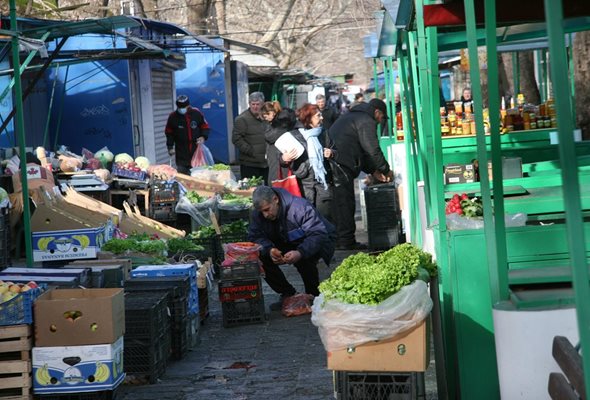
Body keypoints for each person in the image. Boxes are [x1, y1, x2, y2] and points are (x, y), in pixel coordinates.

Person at [248, 186, 336, 309]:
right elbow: (255, 237)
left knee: (304, 258)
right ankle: (287, 293)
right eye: (262, 211)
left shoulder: (300, 207)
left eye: (267, 209)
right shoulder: (258, 215)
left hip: (318, 240)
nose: (265, 214)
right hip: (286, 240)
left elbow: (317, 234)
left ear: (275, 199)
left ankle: (312, 294)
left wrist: (300, 252)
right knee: (259, 257)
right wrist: (269, 250)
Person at [328, 98, 394, 250]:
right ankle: (345, 241)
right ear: (377, 112)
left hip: (338, 160)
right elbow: (372, 150)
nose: (380, 122)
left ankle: (342, 239)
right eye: (382, 118)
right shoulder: (366, 121)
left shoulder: (354, 117)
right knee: (345, 202)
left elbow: (362, 153)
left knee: (341, 202)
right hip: (340, 162)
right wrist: (385, 169)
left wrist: (373, 170)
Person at [281, 103, 335, 222]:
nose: (322, 118)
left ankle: (328, 240)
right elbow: (282, 159)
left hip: (323, 183)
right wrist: (284, 158)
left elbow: (335, 150)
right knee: (307, 220)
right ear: (308, 118)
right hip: (304, 183)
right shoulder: (293, 135)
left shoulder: (323, 133)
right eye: (318, 115)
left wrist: (331, 153)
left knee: (326, 219)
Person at [165, 95, 210, 174]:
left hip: (196, 150)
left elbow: (205, 126)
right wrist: (170, 147)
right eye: (180, 107)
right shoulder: (173, 117)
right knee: (183, 176)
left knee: (198, 175)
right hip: (181, 151)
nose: (182, 109)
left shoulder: (196, 113)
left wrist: (203, 137)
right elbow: (169, 133)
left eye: (184, 107)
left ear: (188, 105)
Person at [232, 92, 269, 184]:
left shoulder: (266, 118)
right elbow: (236, 139)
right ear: (249, 104)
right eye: (253, 104)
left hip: (266, 163)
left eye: (258, 104)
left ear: (263, 104)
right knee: (251, 190)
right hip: (250, 163)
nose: (255, 107)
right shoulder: (242, 119)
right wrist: (251, 151)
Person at [263, 103, 297, 184]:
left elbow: (269, 137)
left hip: (279, 158)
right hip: (279, 158)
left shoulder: (281, 123)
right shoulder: (282, 122)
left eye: (266, 115)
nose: (266, 118)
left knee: (278, 183)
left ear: (272, 112)